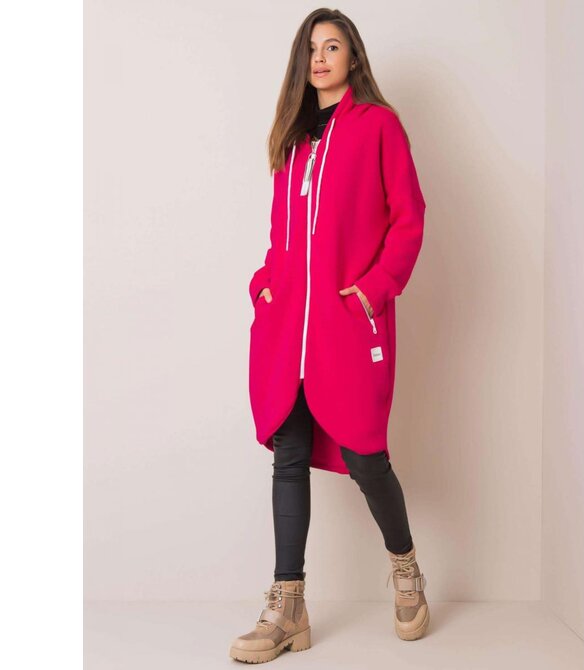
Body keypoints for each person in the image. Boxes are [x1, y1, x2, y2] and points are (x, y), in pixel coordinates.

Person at [230, 8, 429, 664]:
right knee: (288, 453)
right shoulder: (291, 139)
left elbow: (408, 219)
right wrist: (265, 283)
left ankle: (405, 567)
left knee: (366, 455)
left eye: (332, 46)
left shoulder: (378, 126)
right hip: (289, 326)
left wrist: (373, 290)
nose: (320, 57)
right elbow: (281, 236)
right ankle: (288, 606)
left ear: (352, 57)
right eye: (311, 48)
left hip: (347, 325)